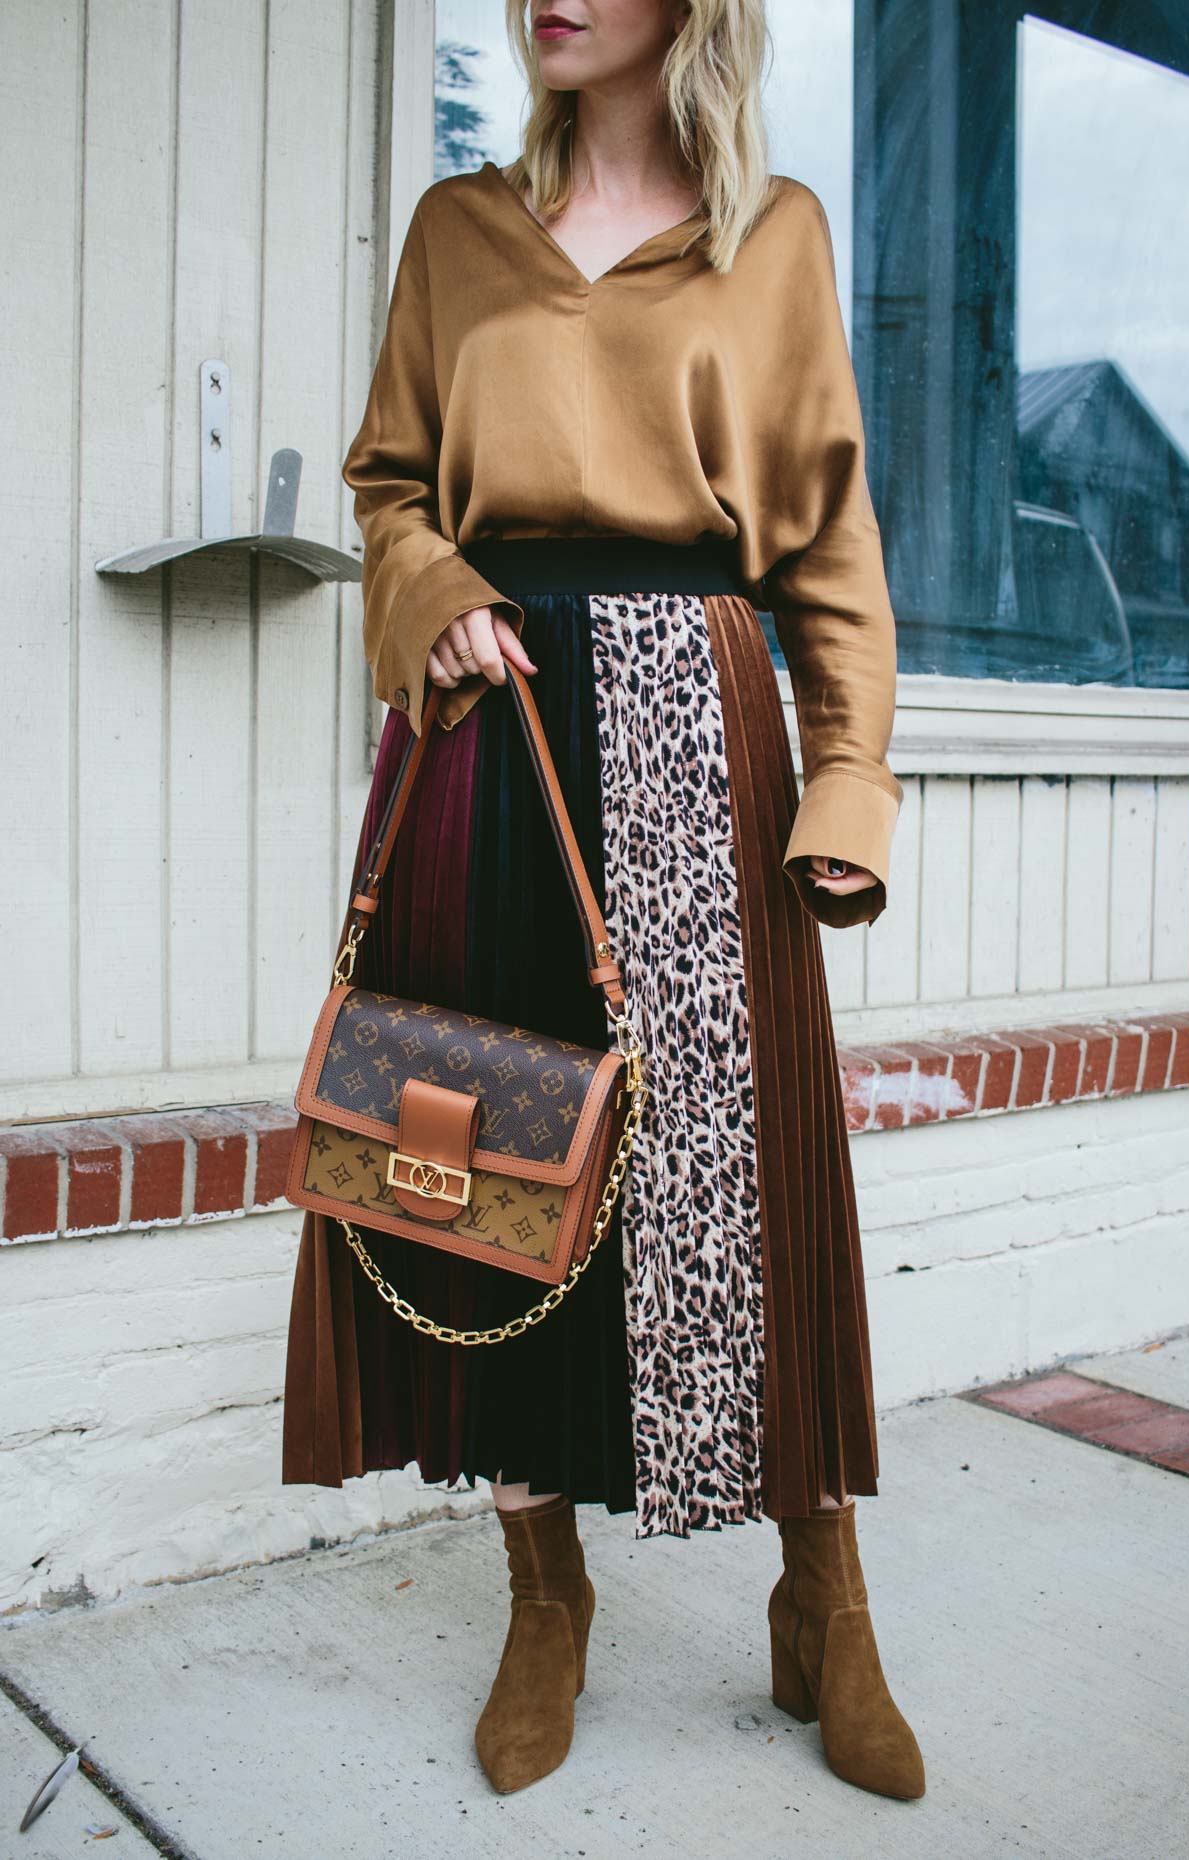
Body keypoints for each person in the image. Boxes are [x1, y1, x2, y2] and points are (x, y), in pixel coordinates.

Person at [281, 0, 924, 1804]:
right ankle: (543, 1595)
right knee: (497, 1171)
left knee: (741, 1178)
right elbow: (387, 486)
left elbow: (829, 544)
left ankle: (825, 1593)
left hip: (701, 744)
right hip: (491, 743)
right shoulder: (455, 232)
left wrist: (850, 778)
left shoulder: (770, 234)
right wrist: (427, 587)